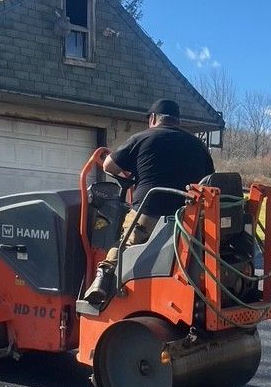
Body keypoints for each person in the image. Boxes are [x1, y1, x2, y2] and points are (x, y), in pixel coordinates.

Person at [83, 99, 214, 306]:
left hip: (148, 211)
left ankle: (102, 279)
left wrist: (131, 171)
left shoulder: (142, 138)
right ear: (177, 121)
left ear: (153, 118)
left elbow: (108, 166)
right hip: (187, 219)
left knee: (125, 243)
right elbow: (208, 181)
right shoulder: (198, 145)